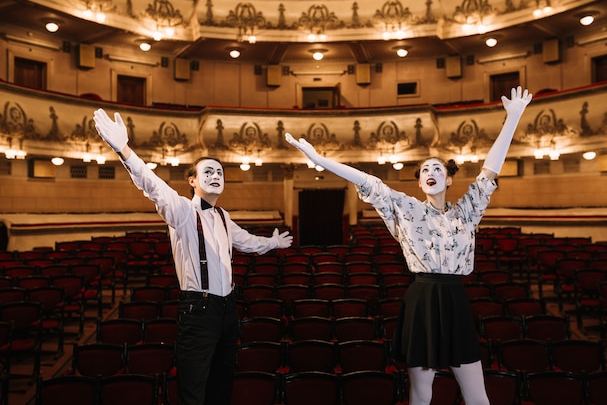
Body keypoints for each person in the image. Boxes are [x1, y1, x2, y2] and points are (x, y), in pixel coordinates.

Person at [286, 86, 532, 405]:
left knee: (476, 395)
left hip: (455, 299)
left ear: (448, 180)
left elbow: (489, 170)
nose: (430, 172)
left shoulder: (467, 211)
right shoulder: (406, 208)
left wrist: (512, 118)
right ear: (420, 182)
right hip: (423, 300)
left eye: (437, 169)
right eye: (424, 170)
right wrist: (320, 160)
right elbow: (366, 181)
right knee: (420, 394)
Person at [92, 109, 293, 405]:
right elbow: (153, 186)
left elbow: (248, 243)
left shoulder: (224, 216)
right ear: (192, 181)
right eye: (208, 172)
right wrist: (124, 150)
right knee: (193, 389)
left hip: (227, 310)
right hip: (198, 311)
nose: (215, 176)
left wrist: (272, 242)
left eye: (219, 172)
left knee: (221, 385)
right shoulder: (184, 212)